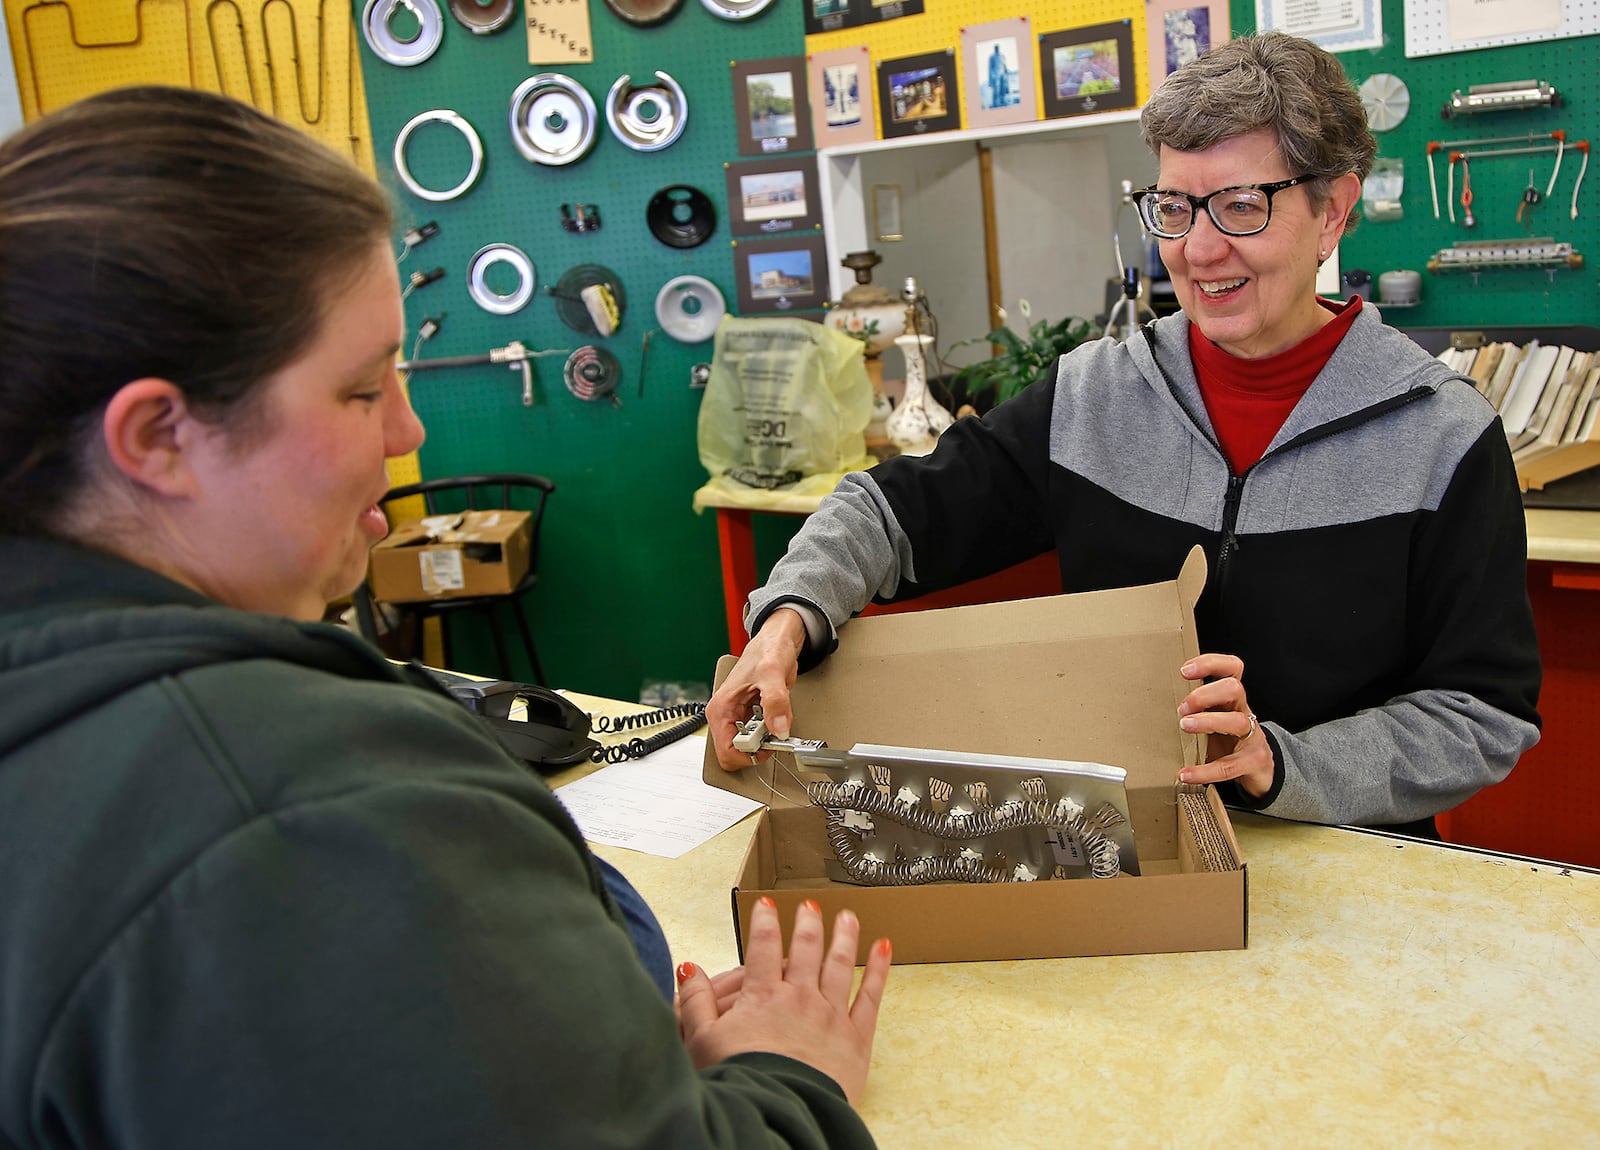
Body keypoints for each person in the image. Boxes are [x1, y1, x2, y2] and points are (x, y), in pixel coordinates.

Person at [0, 86, 890, 1149]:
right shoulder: (308, 812)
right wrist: (787, 1083)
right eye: (362, 389)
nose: (409, 426)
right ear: (159, 436)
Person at [707, 32, 1541, 837]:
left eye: (1243, 205)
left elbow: (1480, 714)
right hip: (1120, 848)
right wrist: (786, 619)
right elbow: (893, 514)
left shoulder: (1442, 434)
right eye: (1174, 207)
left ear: (1334, 213)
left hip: (1352, 868)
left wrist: (1278, 764)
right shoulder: (1094, 394)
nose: (1199, 249)